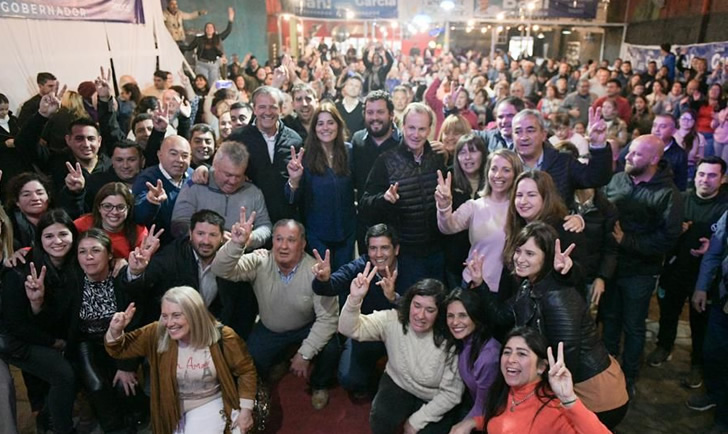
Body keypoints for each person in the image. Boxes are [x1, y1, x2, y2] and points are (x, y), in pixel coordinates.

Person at [211, 218, 339, 409]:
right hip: (270, 327)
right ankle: (279, 360)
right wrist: (236, 244)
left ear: (302, 244)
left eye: (291, 240)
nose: (283, 246)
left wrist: (305, 355)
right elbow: (220, 269)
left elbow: (328, 318)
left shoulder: (316, 271)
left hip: (306, 325)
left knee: (332, 348)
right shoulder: (261, 259)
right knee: (251, 360)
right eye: (278, 239)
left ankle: (319, 384)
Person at [105, 286, 257, 434]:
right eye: (165, 316)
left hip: (209, 403)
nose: (170, 323)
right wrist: (115, 330)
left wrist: (246, 410)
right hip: (171, 410)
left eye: (176, 315)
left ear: (194, 314)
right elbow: (119, 349)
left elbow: (246, 371)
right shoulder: (157, 333)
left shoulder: (224, 337)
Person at [603, 134, 683, 397]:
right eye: (629, 151)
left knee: (634, 326)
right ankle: (607, 369)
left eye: (636, 154)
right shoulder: (617, 179)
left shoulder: (668, 193)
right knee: (610, 320)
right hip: (612, 266)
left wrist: (628, 240)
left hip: (641, 271)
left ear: (654, 159)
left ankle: (628, 377)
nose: (627, 156)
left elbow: (668, 238)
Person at [339, 276, 464, 434]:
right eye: (417, 306)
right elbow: (348, 329)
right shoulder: (392, 320)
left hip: (434, 397)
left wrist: (416, 421)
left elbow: (452, 394)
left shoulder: (450, 340)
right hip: (398, 382)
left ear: (440, 313)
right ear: (409, 303)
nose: (420, 315)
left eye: (430, 310)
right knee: (380, 419)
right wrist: (354, 300)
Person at [647, 157, 728, 389]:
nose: (705, 180)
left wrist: (712, 248)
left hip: (707, 279)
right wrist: (674, 231)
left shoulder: (725, 207)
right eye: (702, 174)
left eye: (712, 175)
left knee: (700, 322)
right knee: (668, 313)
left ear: (722, 179)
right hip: (674, 269)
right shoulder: (680, 199)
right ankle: (664, 346)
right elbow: (659, 233)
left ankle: (696, 364)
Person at [1, 209, 80, 434]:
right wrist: (56, 343)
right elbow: (15, 325)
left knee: (72, 368)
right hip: (16, 340)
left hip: (47, 334)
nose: (57, 241)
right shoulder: (20, 269)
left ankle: (47, 418)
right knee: (63, 374)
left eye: (63, 234)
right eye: (49, 236)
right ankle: (62, 429)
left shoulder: (75, 265)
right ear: (39, 239)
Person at [310, 223, 406, 395]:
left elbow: (422, 307)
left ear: (396, 249)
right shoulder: (360, 267)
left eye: (384, 248)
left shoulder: (410, 267)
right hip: (367, 332)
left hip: (401, 333)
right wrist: (323, 280)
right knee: (349, 379)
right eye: (373, 248)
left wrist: (393, 298)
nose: (378, 254)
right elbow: (330, 286)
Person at [361, 102, 447, 286]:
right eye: (411, 128)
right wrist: (384, 199)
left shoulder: (438, 158)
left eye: (422, 129)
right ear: (402, 127)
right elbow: (365, 203)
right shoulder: (385, 160)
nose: (416, 134)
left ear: (430, 130)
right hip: (407, 254)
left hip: (438, 250)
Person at [73, 229, 148, 433]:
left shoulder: (122, 278)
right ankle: (113, 428)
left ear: (109, 255)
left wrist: (126, 365)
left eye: (95, 250)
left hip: (121, 343)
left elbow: (136, 326)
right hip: (86, 343)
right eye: (82, 251)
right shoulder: (73, 280)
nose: (88, 257)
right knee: (97, 386)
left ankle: (138, 418)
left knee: (124, 386)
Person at [475, 327, 611, 433]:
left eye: (521, 354)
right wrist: (474, 422)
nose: (511, 359)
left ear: (541, 367)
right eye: (507, 352)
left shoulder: (553, 408)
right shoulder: (503, 391)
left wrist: (569, 399)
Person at [437, 148, 523, 293]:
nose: (498, 175)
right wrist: (444, 206)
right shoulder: (475, 206)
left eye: (506, 170)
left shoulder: (521, 207)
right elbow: (447, 227)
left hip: (508, 289)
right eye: (493, 169)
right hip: (473, 285)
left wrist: (575, 218)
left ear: (516, 174)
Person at [286, 102, 355, 271]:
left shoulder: (349, 151)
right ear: (314, 128)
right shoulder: (304, 156)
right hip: (317, 235)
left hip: (346, 233)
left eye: (330, 122)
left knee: (345, 284)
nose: (326, 127)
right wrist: (294, 179)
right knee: (322, 285)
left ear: (338, 125)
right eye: (320, 123)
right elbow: (291, 198)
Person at [227, 86, 303, 224]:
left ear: (280, 108)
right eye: (262, 107)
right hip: (250, 218)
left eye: (273, 107)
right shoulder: (237, 139)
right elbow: (221, 169)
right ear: (254, 109)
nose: (267, 112)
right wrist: (202, 169)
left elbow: (299, 186)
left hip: (286, 217)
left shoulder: (295, 140)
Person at [171, 140, 272, 245]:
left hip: (240, 256)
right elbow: (179, 224)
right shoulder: (195, 185)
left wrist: (249, 238)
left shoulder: (253, 192)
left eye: (238, 176)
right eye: (228, 175)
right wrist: (211, 235)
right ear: (215, 167)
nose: (232, 181)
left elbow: (265, 226)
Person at [510, 108, 613, 204]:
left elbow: (597, 178)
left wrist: (598, 145)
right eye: (518, 132)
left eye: (530, 130)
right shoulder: (504, 164)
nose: (524, 137)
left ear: (544, 135)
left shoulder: (563, 161)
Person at [444, 289, 501, 434]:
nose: (455, 322)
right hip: (472, 407)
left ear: (476, 316)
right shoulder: (463, 341)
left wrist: (458, 427)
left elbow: (484, 407)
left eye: (463, 315)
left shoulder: (488, 357)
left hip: (492, 419)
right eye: (450, 316)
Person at [350, 90, 401, 246]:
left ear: (391, 114)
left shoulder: (403, 143)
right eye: (370, 112)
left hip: (397, 223)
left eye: (380, 112)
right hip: (366, 223)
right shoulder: (357, 140)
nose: (375, 118)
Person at [132, 135, 193, 245]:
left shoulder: (193, 176)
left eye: (185, 156)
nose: (179, 160)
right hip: (159, 247)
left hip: (190, 244)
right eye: (173, 154)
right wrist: (150, 201)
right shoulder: (148, 178)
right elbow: (138, 216)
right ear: (160, 155)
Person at [73, 182, 148, 260]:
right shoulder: (81, 225)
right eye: (107, 206)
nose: (114, 212)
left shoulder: (139, 232)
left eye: (120, 207)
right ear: (99, 207)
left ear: (128, 209)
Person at [183, 7, 235, 83]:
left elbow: (227, 31)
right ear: (205, 29)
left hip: (213, 65)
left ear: (214, 30)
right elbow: (189, 48)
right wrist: (177, 45)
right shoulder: (199, 39)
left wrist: (230, 19)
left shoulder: (218, 38)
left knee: (213, 85)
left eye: (211, 27)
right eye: (207, 27)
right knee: (202, 83)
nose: (209, 29)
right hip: (201, 64)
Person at [5, 172, 52, 252]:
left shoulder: (58, 219)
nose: (35, 198)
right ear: (17, 202)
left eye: (40, 193)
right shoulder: (8, 226)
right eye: (26, 195)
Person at [675, 109, 707, 181]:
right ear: (678, 120)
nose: (686, 121)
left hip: (689, 168)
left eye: (689, 119)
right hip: (672, 168)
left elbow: (701, 158)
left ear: (694, 122)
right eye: (683, 118)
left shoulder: (699, 137)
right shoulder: (672, 134)